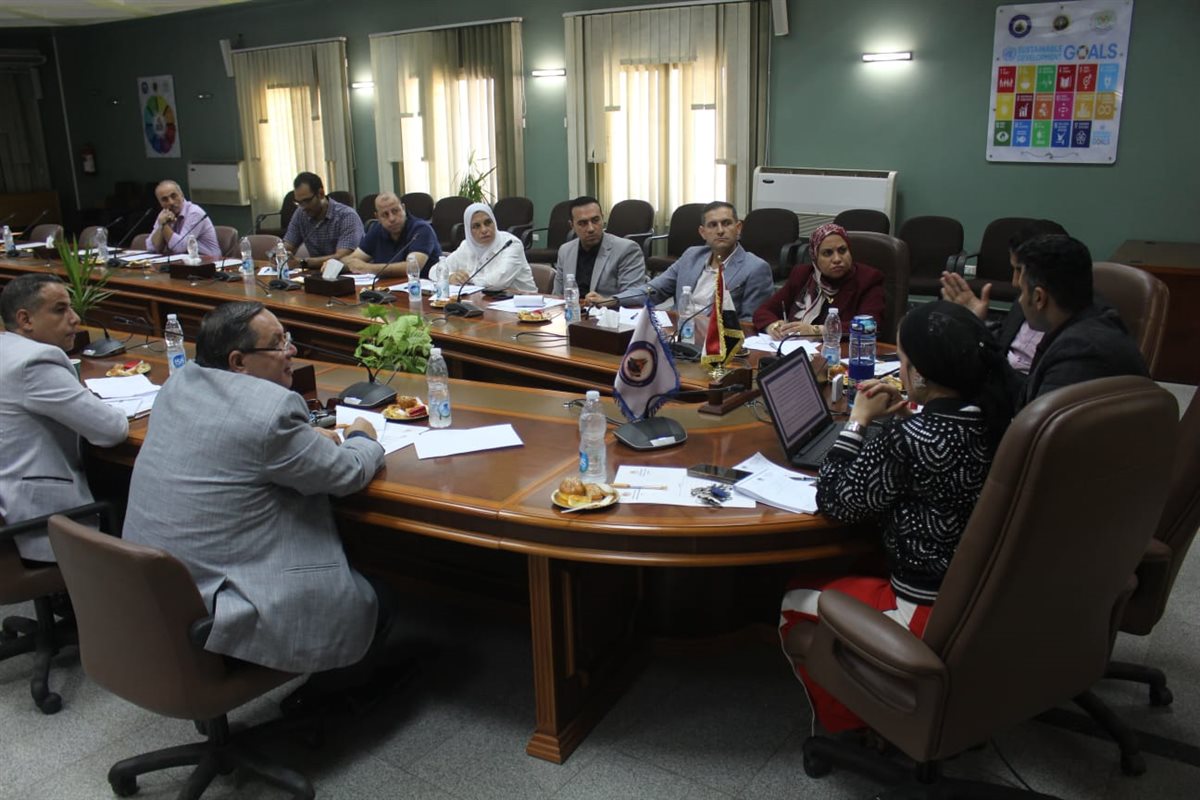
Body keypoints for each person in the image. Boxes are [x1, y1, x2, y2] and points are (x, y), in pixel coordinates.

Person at [122, 301, 392, 699]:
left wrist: (302, 439)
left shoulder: (178, 385)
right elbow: (346, 474)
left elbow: (236, 439)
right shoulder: (271, 411)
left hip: (161, 595)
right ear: (238, 362)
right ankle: (328, 701)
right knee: (377, 599)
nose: (291, 351)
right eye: (278, 343)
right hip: (224, 604)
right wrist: (363, 437)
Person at [778, 300, 1013, 734]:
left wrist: (856, 422)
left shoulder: (910, 439)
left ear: (919, 373)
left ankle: (854, 731)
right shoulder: (1000, 416)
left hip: (926, 610)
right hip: (983, 598)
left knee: (794, 598)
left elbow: (835, 500)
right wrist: (909, 419)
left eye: (903, 361)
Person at [0, 274, 128, 563]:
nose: (75, 318)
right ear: (25, 319)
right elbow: (112, 430)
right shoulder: (35, 361)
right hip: (43, 523)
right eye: (60, 310)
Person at [1008, 234, 1148, 407]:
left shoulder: (1079, 353)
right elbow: (1028, 393)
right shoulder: (1089, 320)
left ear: (1039, 298)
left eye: (1022, 291)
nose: (1020, 300)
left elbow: (1039, 419)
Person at [588, 201, 773, 321]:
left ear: (738, 228)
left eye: (726, 223)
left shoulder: (755, 268)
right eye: (712, 225)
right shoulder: (692, 256)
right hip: (679, 333)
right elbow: (654, 289)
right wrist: (612, 300)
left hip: (717, 345)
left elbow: (750, 322)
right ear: (703, 232)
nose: (720, 230)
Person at [939, 219, 1067, 374]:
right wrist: (975, 322)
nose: (1015, 282)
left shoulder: (1074, 340)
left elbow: (1032, 386)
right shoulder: (1024, 299)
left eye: (1019, 270)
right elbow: (1000, 342)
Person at [752, 222, 885, 338]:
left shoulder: (867, 279)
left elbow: (870, 326)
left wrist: (817, 331)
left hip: (844, 353)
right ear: (815, 258)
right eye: (828, 253)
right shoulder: (802, 275)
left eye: (842, 250)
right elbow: (763, 312)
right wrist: (773, 326)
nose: (837, 259)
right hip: (795, 349)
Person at [552, 196, 648, 296]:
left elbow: (634, 295)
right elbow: (557, 295)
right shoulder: (565, 251)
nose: (591, 229)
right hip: (572, 305)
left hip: (608, 306)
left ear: (602, 218)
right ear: (572, 225)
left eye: (595, 220)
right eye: (582, 223)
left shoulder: (627, 249)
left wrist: (606, 301)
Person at [440, 202, 537, 293]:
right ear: (468, 230)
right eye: (476, 226)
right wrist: (450, 277)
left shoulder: (511, 244)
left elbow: (497, 282)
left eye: (488, 223)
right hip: (485, 300)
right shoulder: (466, 246)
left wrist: (467, 280)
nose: (484, 230)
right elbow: (436, 271)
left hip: (523, 301)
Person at [342, 192, 442, 278]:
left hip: (423, 289)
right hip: (387, 287)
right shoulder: (377, 230)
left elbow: (412, 267)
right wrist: (338, 265)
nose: (392, 218)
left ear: (403, 208)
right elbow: (354, 259)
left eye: (395, 211)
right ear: (377, 217)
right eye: (385, 214)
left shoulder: (421, 229)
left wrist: (368, 268)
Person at [283, 172, 364, 269]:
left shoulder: (347, 216)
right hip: (316, 272)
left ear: (320, 194)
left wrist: (303, 262)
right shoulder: (300, 213)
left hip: (345, 272)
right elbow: (288, 245)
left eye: (306, 201)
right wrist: (279, 255)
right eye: (298, 202)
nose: (303, 207)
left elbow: (342, 257)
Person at [147, 179, 221, 258]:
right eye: (164, 199)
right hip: (182, 261)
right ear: (160, 203)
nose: (171, 202)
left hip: (208, 260)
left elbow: (180, 248)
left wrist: (164, 225)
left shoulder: (194, 213)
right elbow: (151, 248)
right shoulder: (163, 215)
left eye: (174, 196)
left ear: (182, 195)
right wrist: (161, 225)